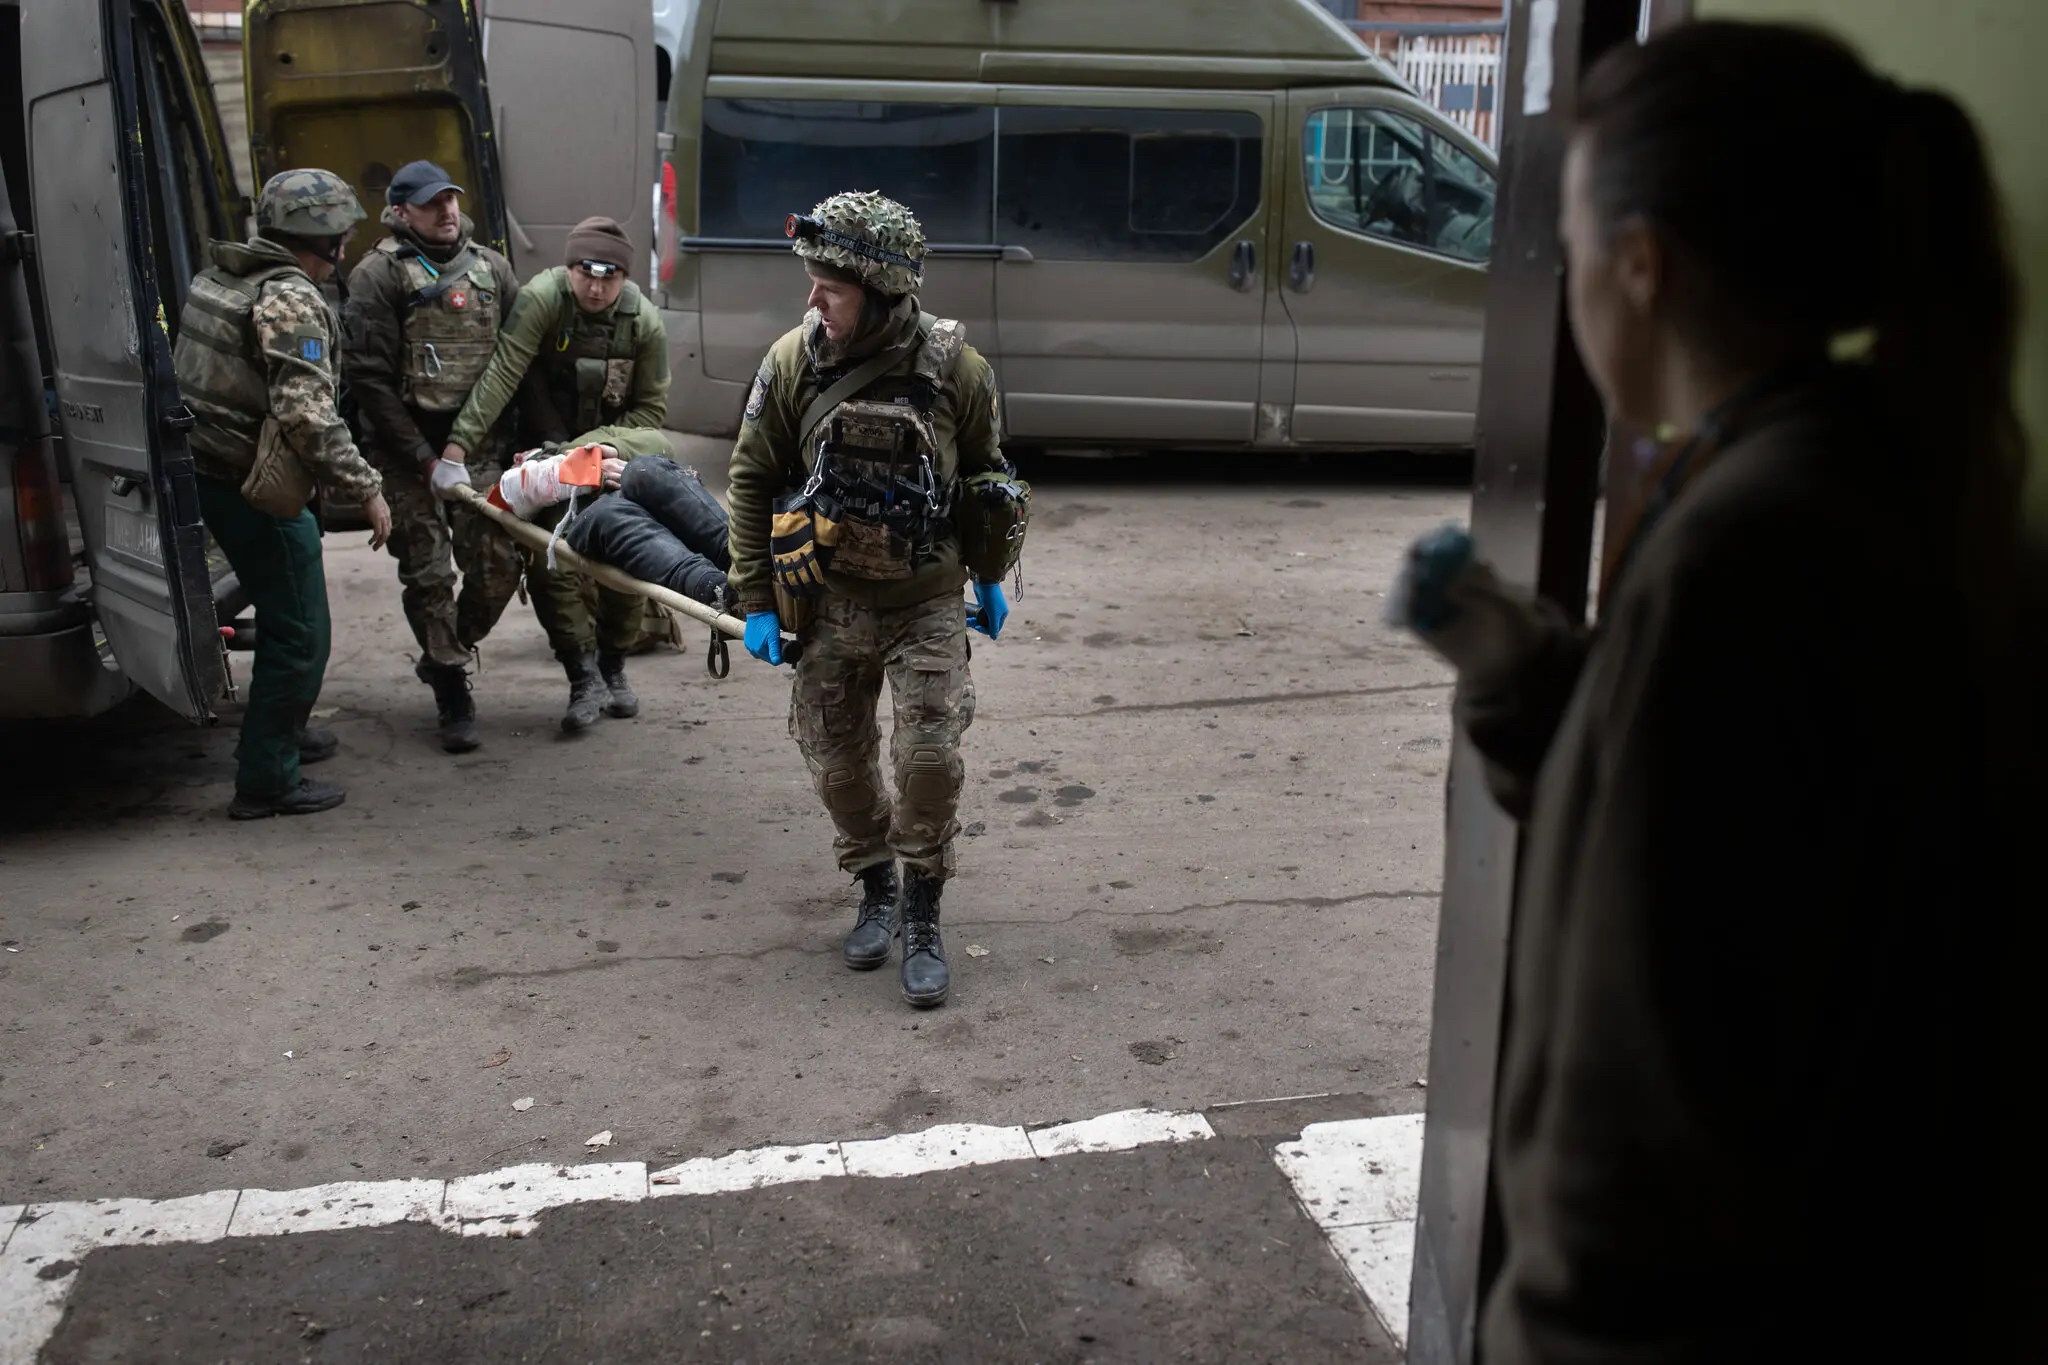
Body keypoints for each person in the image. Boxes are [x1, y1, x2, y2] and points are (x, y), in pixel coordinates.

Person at [1386, 22, 2033, 1363]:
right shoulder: (1856, 473)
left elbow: (1659, 1104)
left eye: (1571, 250)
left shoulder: (1752, 553)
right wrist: (1528, 670)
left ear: (1643, 265)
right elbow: (1728, 842)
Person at [728, 190, 1012, 1010]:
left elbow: (989, 475)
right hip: (828, 602)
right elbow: (749, 477)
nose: (813, 300)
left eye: (831, 287)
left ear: (885, 292)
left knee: (927, 760)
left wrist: (989, 573)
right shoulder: (791, 362)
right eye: (812, 282)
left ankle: (923, 904)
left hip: (925, 599)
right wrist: (757, 597)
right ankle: (874, 880)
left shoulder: (959, 369)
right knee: (837, 765)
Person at [170, 169, 392, 819]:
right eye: (343, 237)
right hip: (251, 486)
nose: (347, 249)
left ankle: (285, 729)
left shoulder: (225, 273)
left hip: (210, 470)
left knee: (291, 617)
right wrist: (368, 489)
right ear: (320, 240)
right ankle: (266, 777)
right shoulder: (290, 300)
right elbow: (308, 417)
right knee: (298, 629)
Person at [443, 216, 669, 732]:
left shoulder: (644, 324)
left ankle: (614, 666)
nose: (596, 286)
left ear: (624, 277)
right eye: (585, 273)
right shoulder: (543, 298)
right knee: (552, 559)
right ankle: (581, 674)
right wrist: (458, 447)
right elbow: (506, 369)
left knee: (628, 556)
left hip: (607, 455)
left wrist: (582, 452)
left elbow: (651, 415)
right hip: (539, 460)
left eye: (609, 276)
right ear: (569, 269)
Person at [341, 160, 527, 753]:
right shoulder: (377, 276)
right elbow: (368, 381)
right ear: (400, 213)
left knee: (499, 563)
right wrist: (424, 459)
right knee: (427, 573)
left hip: (479, 445)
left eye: (451, 199)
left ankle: (444, 650)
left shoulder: (492, 269)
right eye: (430, 204)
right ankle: (451, 686)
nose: (447, 212)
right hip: (403, 450)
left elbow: (516, 362)